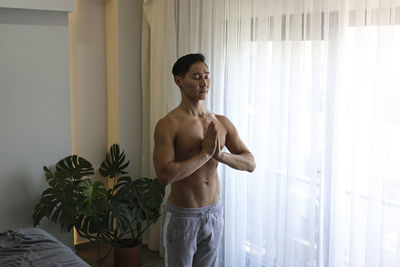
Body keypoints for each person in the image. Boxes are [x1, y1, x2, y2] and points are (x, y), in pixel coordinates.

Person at [153, 53, 256, 267]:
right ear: (178, 81)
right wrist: (205, 155)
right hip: (184, 215)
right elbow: (164, 175)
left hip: (214, 211)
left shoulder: (221, 122)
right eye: (197, 77)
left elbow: (250, 163)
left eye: (207, 76)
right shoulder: (169, 124)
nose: (204, 82)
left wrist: (220, 155)